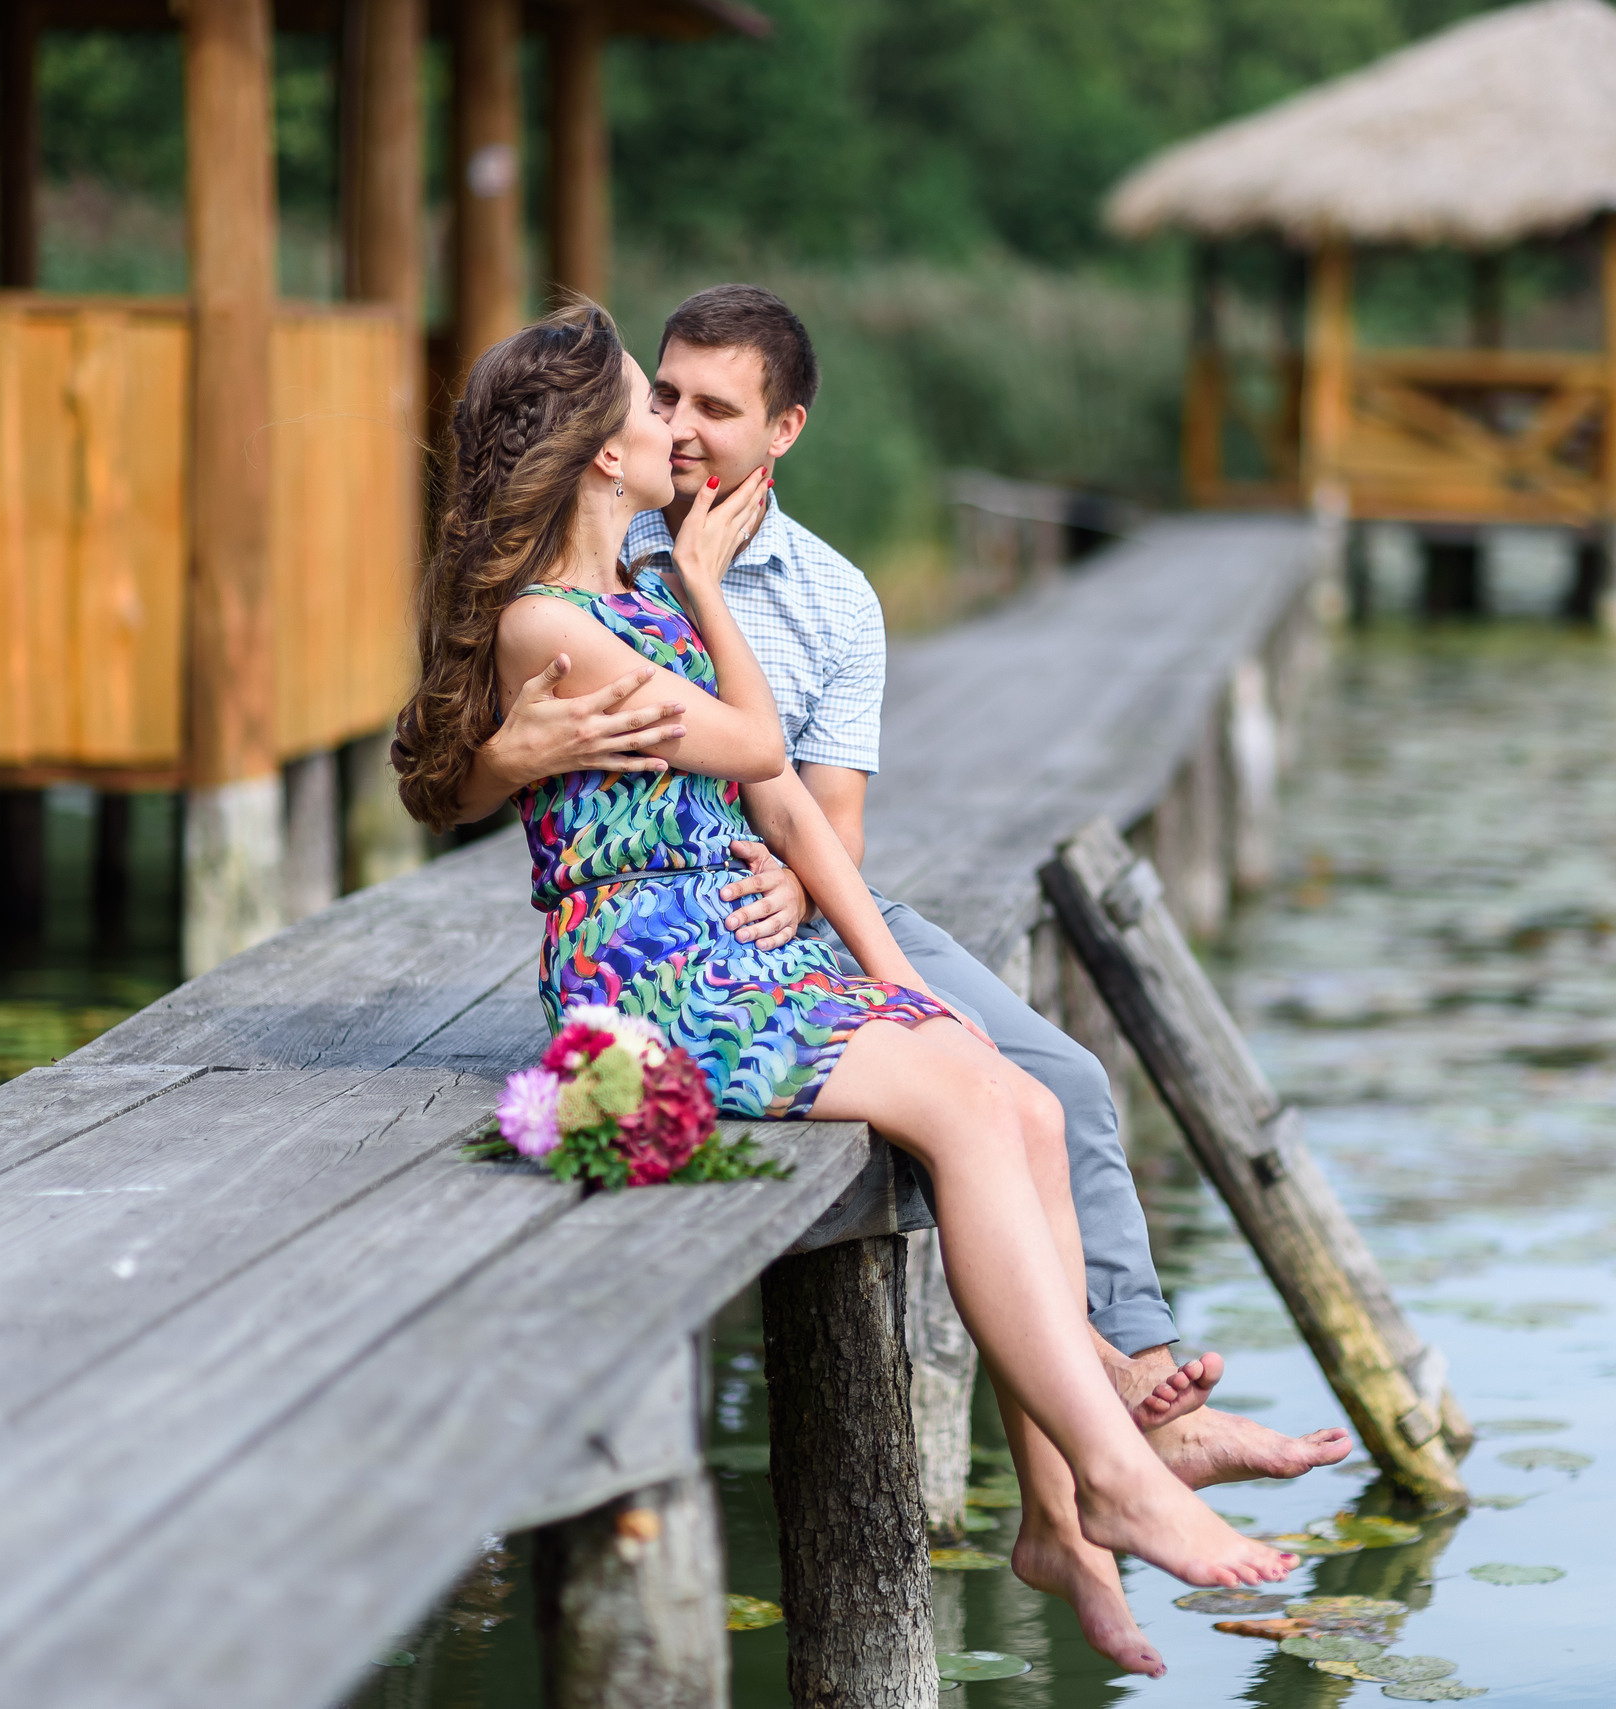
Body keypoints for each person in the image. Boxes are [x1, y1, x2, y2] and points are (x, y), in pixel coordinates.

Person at [447, 285, 1350, 1672]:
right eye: (651, 401)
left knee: (1027, 1098)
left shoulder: (657, 587)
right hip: (654, 969)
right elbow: (750, 746)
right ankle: (1114, 1467)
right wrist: (684, 594)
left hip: (731, 936)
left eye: (700, 406)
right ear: (594, 455)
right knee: (979, 1110)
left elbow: (802, 812)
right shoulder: (562, 618)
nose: (671, 427)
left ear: (785, 429)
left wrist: (895, 979)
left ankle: (1066, 1509)